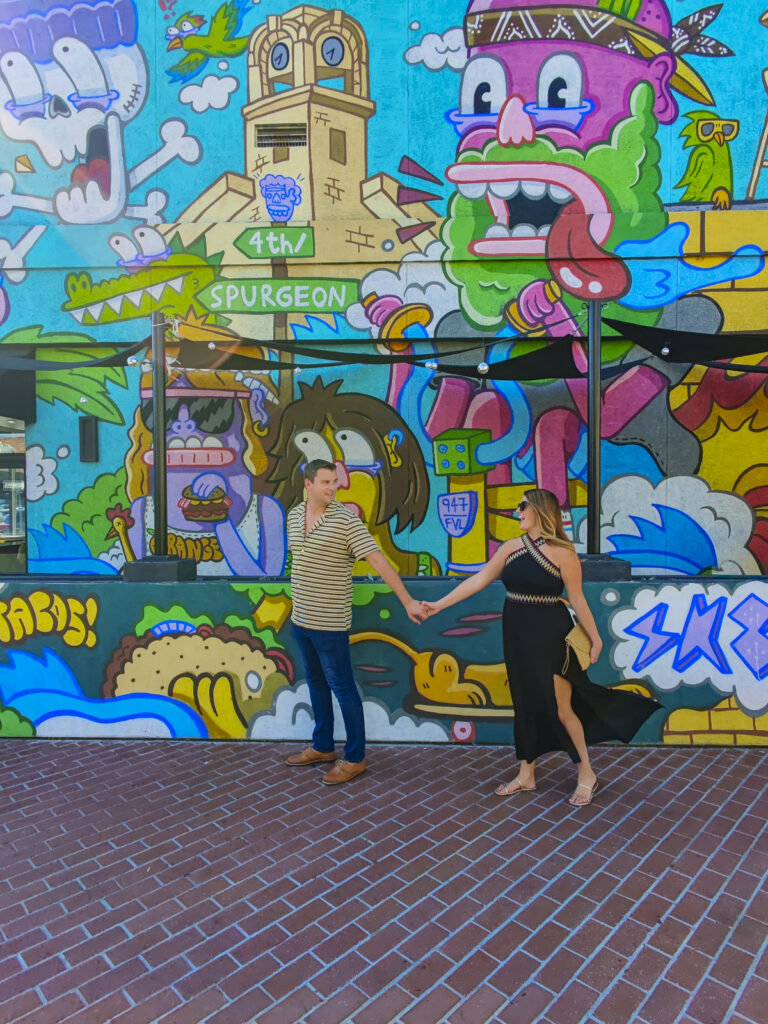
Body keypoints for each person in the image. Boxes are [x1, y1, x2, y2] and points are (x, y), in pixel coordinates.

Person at [422, 488, 661, 806]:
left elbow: (577, 598)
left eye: (522, 506)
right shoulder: (510, 548)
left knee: (562, 709)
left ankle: (587, 773)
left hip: (551, 635)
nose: (517, 511)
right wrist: (438, 605)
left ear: (540, 510)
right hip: (516, 633)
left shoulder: (564, 553)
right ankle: (526, 774)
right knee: (524, 704)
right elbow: (477, 580)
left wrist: (596, 638)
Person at [284, 459, 425, 785]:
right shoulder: (293, 516)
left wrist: (407, 601)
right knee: (316, 682)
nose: (333, 487)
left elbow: (378, 560)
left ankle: (355, 757)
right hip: (301, 618)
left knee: (343, 687)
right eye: (325, 482)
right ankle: (322, 746)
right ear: (308, 484)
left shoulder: (346, 521)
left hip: (330, 622)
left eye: (334, 481)